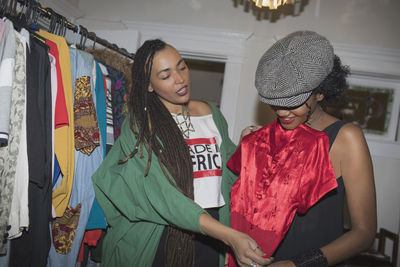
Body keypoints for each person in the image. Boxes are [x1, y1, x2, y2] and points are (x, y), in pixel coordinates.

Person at [91, 39, 272, 267]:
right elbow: (163, 196)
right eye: (165, 75)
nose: (180, 79)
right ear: (149, 85)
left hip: (210, 234)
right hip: (159, 236)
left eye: (181, 66)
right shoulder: (140, 126)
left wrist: (246, 151)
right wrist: (229, 236)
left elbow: (228, 179)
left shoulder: (210, 113)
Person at [228, 31, 377, 267]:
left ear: (320, 92)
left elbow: (364, 233)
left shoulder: (346, 139)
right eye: (276, 102)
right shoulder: (264, 138)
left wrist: (296, 264)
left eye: (293, 102)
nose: (282, 112)